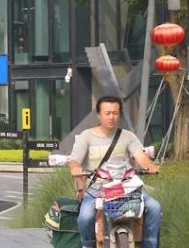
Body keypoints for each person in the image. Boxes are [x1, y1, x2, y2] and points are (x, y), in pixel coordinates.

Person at [69, 96, 162, 248]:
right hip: (97, 190)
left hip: (127, 188)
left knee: (155, 207)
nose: (111, 117)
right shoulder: (87, 136)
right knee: (84, 218)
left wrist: (149, 166)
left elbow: (140, 156)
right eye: (107, 113)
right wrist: (75, 168)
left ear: (119, 114)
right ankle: (88, 245)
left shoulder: (128, 136)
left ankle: (150, 244)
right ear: (99, 115)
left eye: (115, 113)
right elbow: (74, 160)